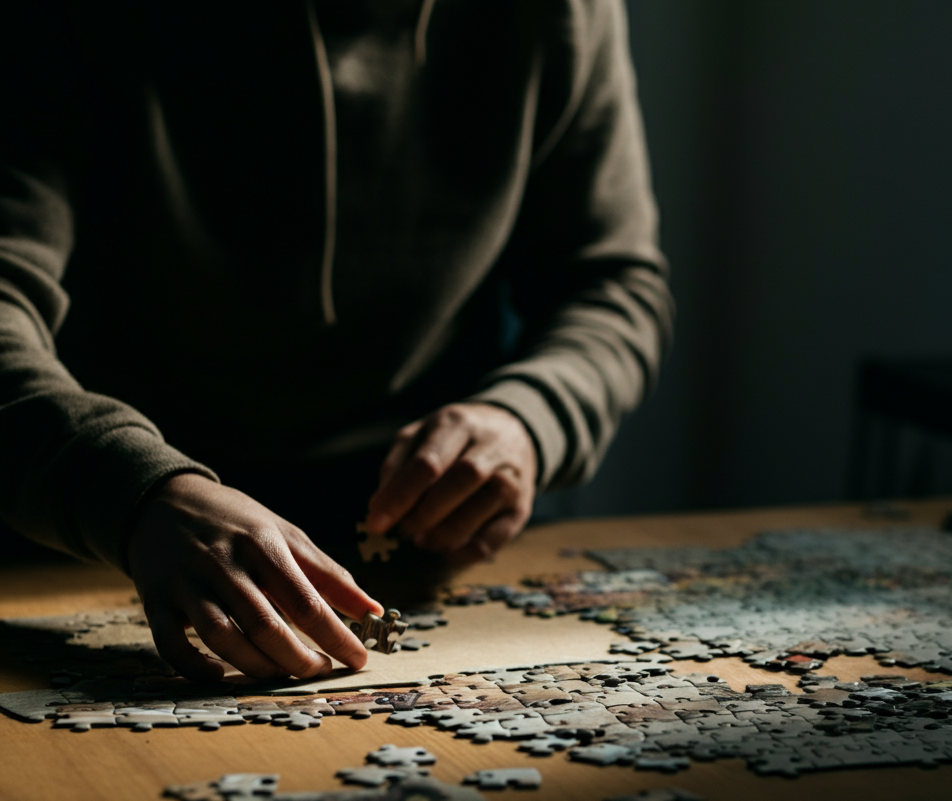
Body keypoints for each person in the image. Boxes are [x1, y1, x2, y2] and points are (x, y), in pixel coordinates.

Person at [0, 0, 671, 682]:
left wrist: (529, 417)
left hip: (432, 545)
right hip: (86, 527)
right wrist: (133, 489)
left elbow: (611, 286)